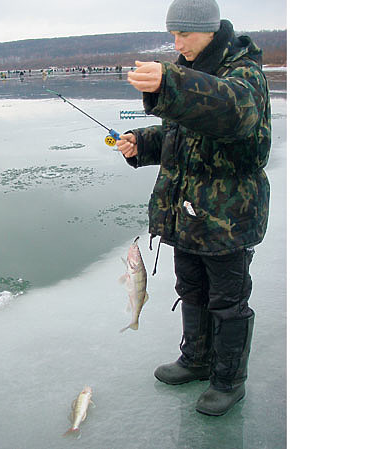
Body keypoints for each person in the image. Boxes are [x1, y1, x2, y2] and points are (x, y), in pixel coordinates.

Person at [116, 0, 271, 416]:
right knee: (192, 291)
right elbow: (181, 134)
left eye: (184, 34)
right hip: (188, 215)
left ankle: (228, 381)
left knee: (228, 302)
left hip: (228, 218)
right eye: (173, 35)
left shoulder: (244, 73)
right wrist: (141, 142)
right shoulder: (195, 71)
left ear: (210, 29)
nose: (177, 42)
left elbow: (230, 113)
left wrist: (171, 83)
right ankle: (196, 360)